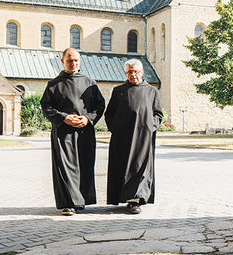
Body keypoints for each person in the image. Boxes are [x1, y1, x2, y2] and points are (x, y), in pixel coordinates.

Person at [41, 47, 105, 216]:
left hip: (84, 132)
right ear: (62, 61)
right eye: (69, 60)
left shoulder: (90, 83)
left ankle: (80, 201)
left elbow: (100, 106)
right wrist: (64, 118)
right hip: (63, 133)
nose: (73, 63)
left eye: (76, 60)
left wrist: (88, 119)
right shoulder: (54, 84)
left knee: (84, 165)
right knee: (65, 167)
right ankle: (68, 203)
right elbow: (46, 107)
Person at [105, 58, 162, 214]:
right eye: (130, 72)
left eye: (136, 71)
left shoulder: (152, 92)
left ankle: (135, 200)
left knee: (140, 168)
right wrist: (116, 129)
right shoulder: (118, 91)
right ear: (125, 73)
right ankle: (123, 197)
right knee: (123, 168)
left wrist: (150, 127)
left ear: (142, 72)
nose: (133, 74)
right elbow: (109, 114)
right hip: (122, 139)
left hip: (143, 138)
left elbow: (158, 114)